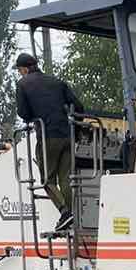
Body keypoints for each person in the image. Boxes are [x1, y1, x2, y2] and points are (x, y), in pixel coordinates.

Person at [14, 52, 84, 230]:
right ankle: (72, 219)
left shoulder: (23, 84)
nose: (20, 73)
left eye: (19, 70)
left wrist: (34, 116)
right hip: (68, 136)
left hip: (48, 137)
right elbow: (79, 107)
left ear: (24, 68)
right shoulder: (56, 81)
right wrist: (76, 125)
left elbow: (23, 113)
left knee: (47, 180)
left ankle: (65, 212)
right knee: (66, 179)